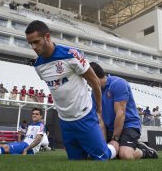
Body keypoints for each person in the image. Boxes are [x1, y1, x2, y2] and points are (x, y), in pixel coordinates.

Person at [25, 20, 117, 160]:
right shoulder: (38, 66)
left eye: (36, 42)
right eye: (30, 43)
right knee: (76, 161)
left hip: (84, 116)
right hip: (64, 120)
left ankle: (116, 145)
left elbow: (94, 81)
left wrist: (98, 109)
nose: (33, 47)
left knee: (102, 156)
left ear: (47, 37)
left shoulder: (71, 55)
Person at [90, 62, 158, 160]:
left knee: (125, 155)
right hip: (110, 128)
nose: (88, 84)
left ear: (94, 77)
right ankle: (129, 146)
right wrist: (103, 144)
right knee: (104, 153)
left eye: (88, 80)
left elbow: (120, 114)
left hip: (129, 125)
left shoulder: (118, 84)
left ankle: (145, 152)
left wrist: (115, 139)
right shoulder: (94, 93)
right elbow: (101, 120)